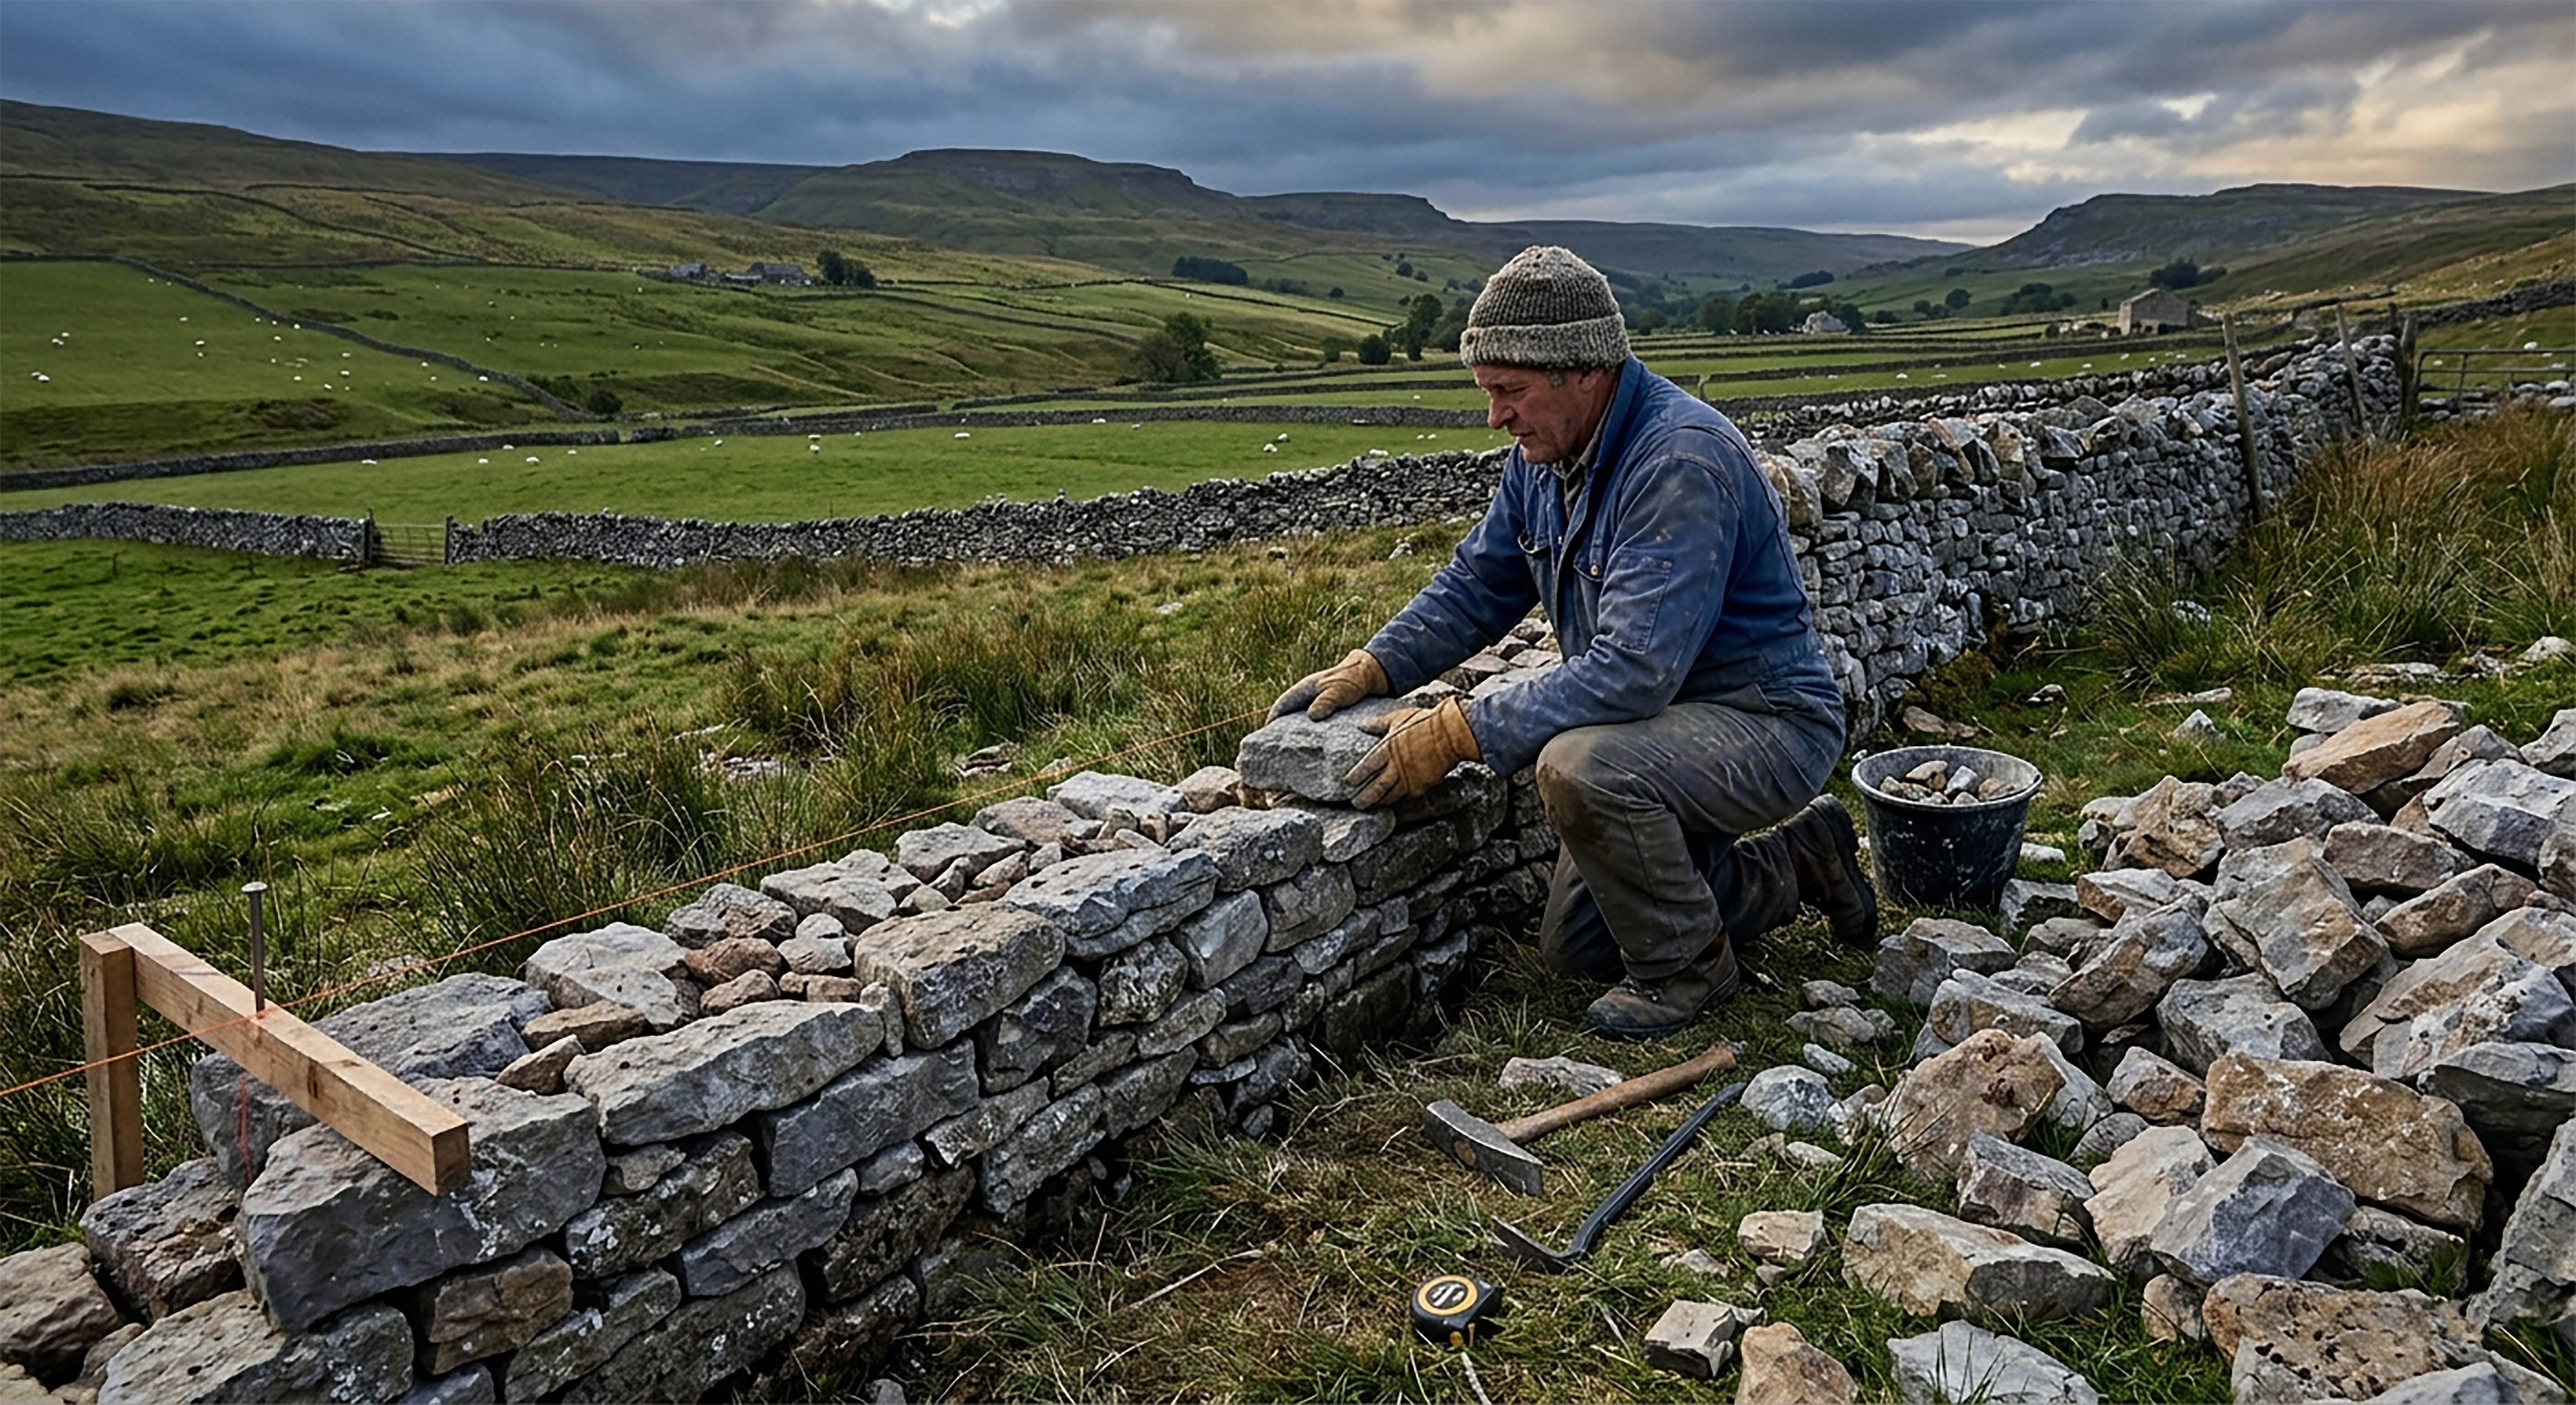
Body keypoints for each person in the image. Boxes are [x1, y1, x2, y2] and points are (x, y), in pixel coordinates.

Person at [1270, 245, 1877, 1040]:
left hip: (1763, 724)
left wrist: (1462, 731)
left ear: (1582, 371)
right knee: (1578, 948)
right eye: (1488, 393)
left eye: (1510, 392)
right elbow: (1481, 583)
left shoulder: (1678, 463)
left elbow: (1632, 671)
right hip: (1663, 731)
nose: (1496, 417)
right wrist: (1377, 664)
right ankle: (1801, 862)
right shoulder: (1546, 458)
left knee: (1581, 766)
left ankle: (1690, 974)